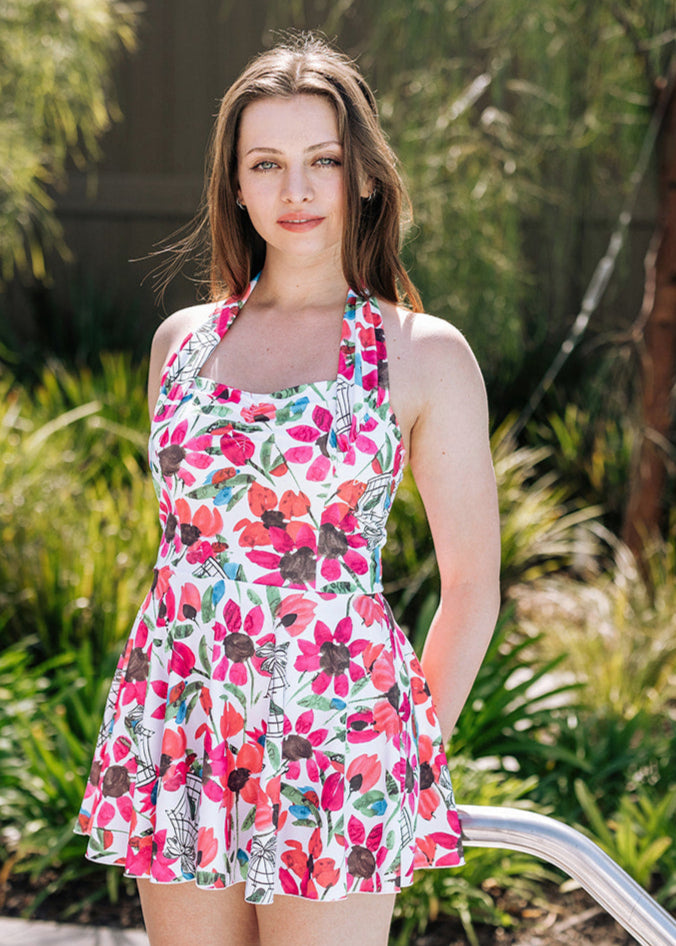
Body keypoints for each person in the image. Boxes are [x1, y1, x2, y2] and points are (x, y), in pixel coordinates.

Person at [76, 32, 501, 946]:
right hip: (182, 726)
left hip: (338, 741)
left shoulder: (422, 353)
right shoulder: (181, 343)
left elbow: (472, 586)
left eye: (324, 161)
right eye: (266, 163)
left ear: (366, 176)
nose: (296, 191)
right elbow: (183, 556)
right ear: (235, 184)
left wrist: (399, 753)